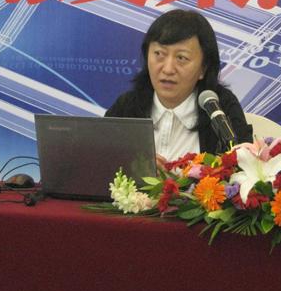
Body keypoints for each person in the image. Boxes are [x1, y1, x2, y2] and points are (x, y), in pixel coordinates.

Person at [105, 9, 253, 171]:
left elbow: (242, 171)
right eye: (159, 53)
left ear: (203, 68)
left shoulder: (220, 108)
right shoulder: (126, 107)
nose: (168, 69)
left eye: (181, 58)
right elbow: (100, 165)